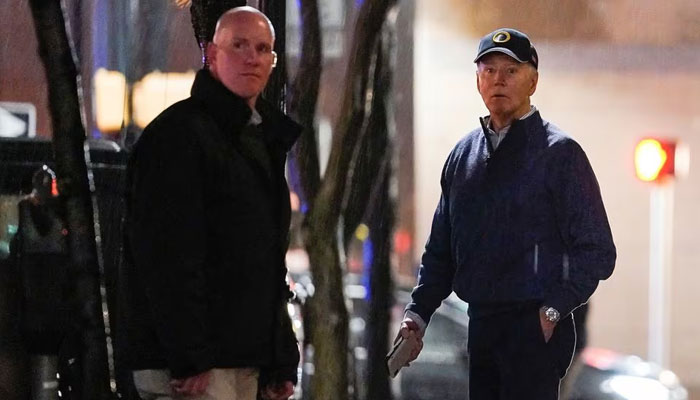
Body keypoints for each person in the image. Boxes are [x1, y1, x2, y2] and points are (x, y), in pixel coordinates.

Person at [396, 28, 616, 399]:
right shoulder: (463, 156)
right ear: (477, 80)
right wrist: (417, 315)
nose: (498, 79)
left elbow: (598, 251)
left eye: (511, 70)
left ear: (533, 79)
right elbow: (441, 252)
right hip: (481, 324)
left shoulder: (560, 155)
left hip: (535, 328)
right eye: (489, 69)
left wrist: (554, 309)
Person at [124, 6, 300, 400]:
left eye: (262, 48)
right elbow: (167, 254)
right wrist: (189, 355)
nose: (251, 57)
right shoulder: (179, 138)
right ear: (211, 54)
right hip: (194, 370)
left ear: (273, 62)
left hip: (236, 361)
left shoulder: (257, 141)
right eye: (238, 45)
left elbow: (266, 264)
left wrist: (278, 360)